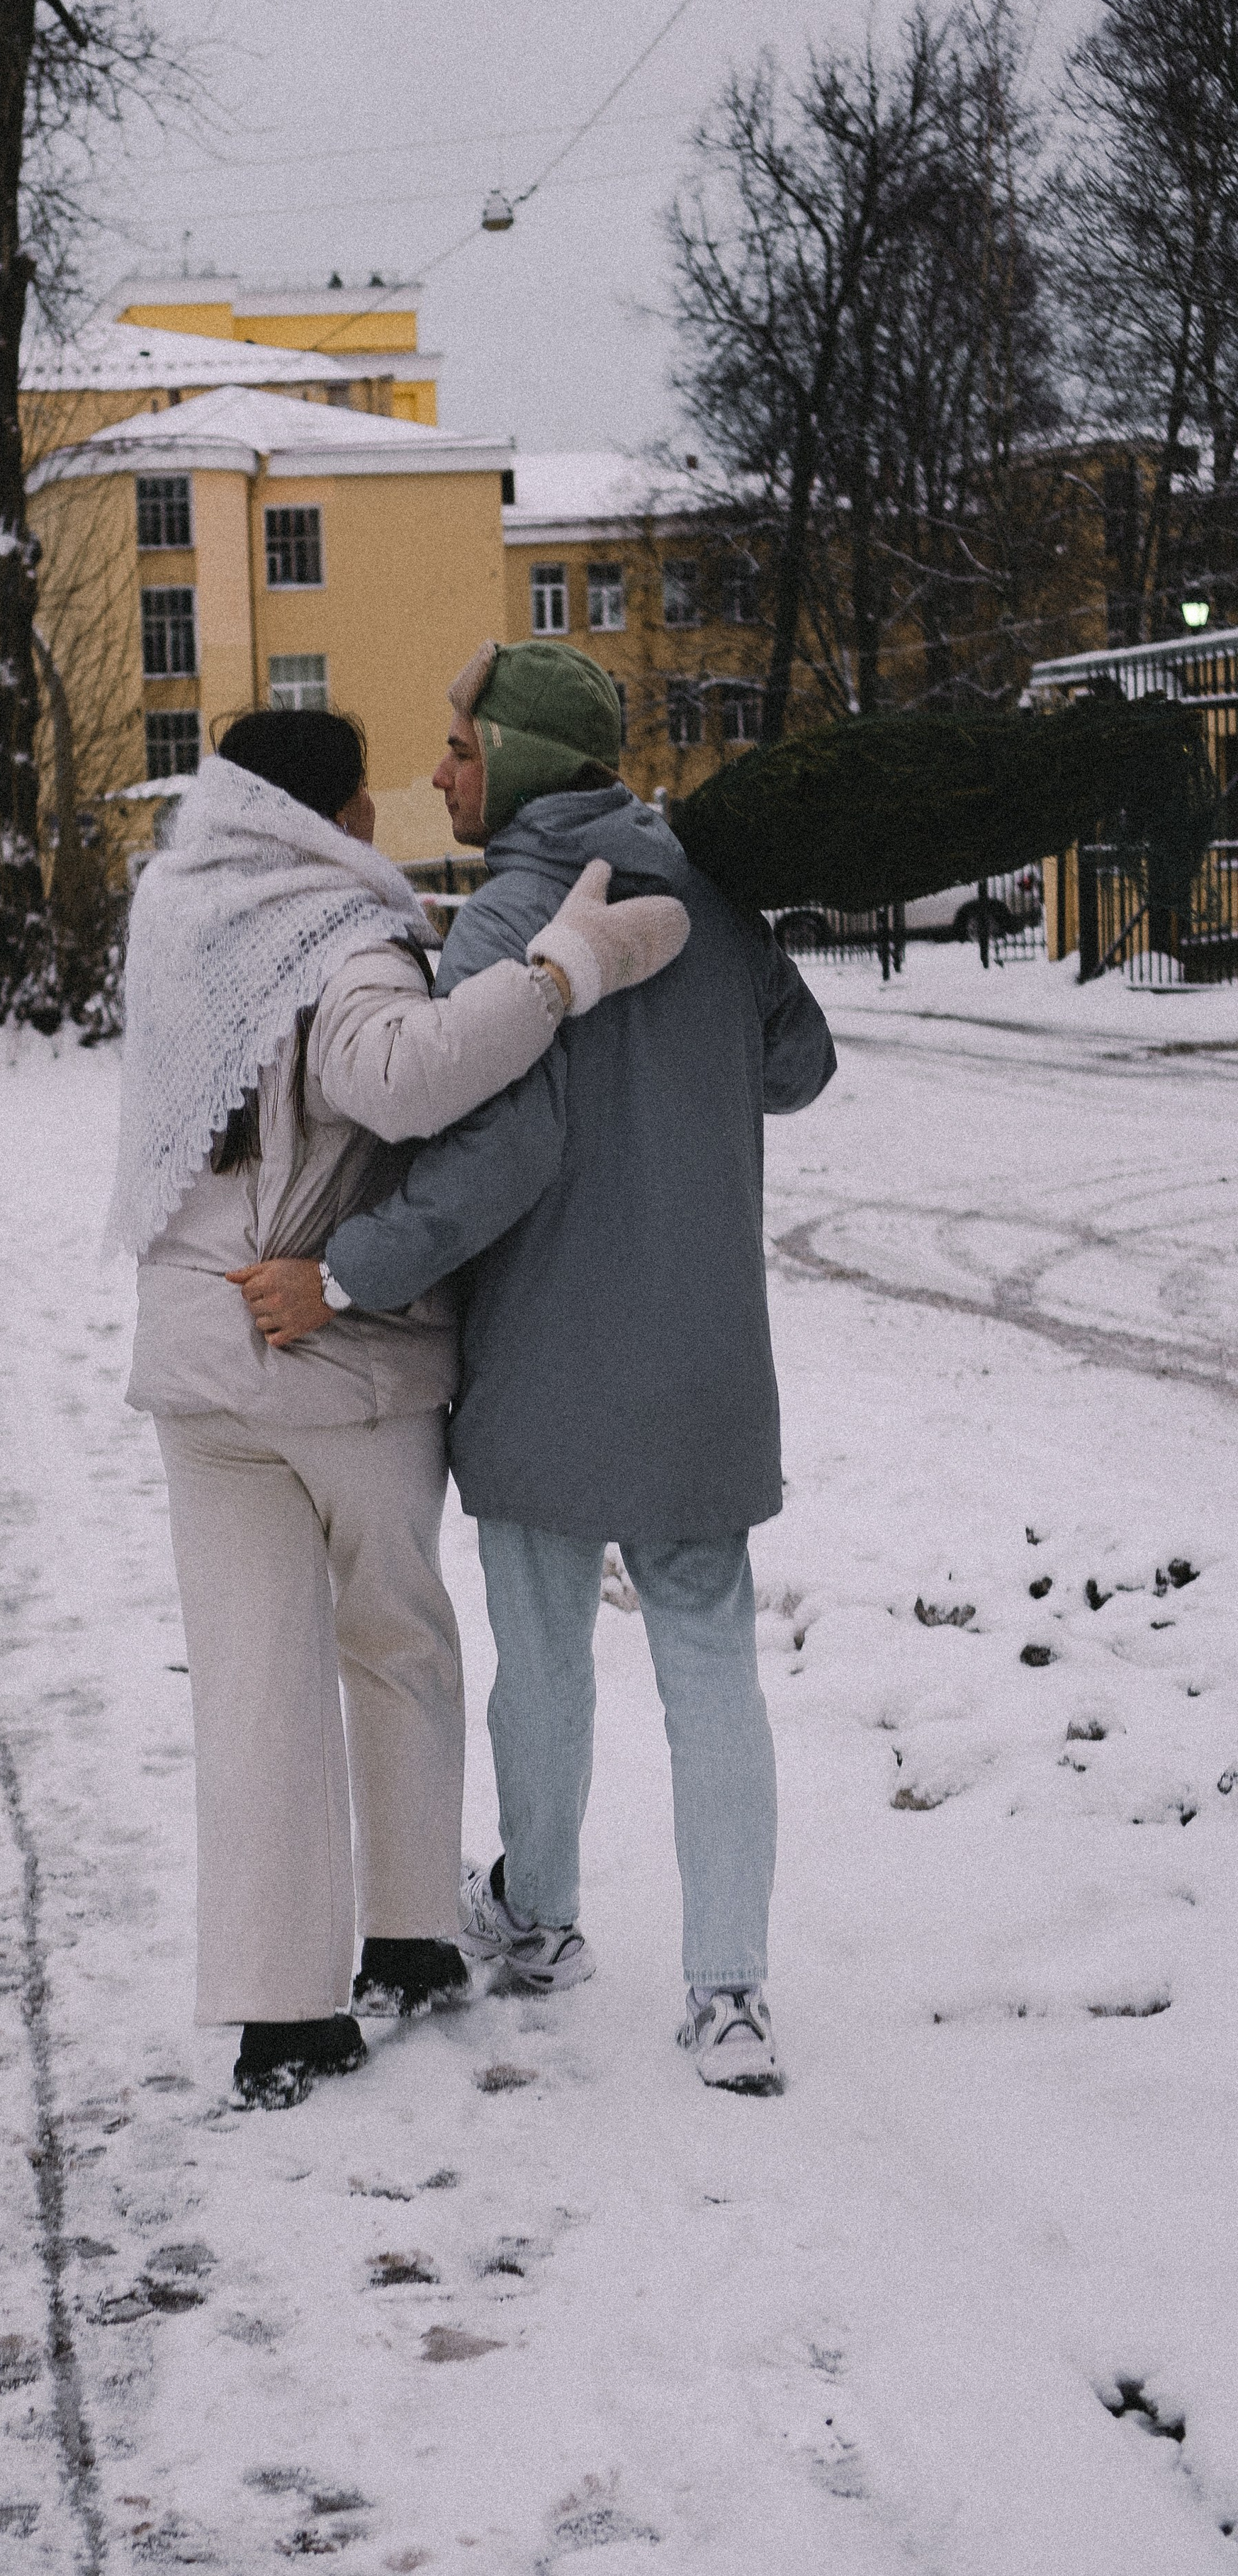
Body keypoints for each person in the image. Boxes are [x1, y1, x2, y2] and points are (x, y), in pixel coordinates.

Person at [232, 642, 836, 2093]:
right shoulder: (708, 888)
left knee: (543, 1657)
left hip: (544, 1357)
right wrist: (745, 937)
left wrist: (347, 1276)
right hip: (700, 1360)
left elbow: (492, 1159)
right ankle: (728, 1990)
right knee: (709, 1668)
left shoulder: (503, 917)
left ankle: (547, 1917)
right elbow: (794, 1069)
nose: (436, 771)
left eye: (456, 744)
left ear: (515, 755)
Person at [111, 703, 690, 2109]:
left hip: (194, 1356)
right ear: (335, 819)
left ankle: (277, 2013)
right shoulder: (337, 933)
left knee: (251, 1681)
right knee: (396, 1644)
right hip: (333, 1360)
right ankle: (410, 1939)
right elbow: (399, 1078)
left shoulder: (169, 916)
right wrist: (561, 968)